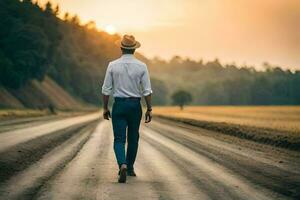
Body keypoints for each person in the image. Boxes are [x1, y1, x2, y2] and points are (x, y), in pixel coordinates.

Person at [102, 35, 153, 183]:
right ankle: (130, 168)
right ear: (135, 49)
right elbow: (147, 91)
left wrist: (105, 108)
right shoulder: (142, 66)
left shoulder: (112, 65)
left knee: (119, 139)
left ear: (121, 48)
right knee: (133, 137)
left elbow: (106, 90)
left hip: (119, 104)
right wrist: (149, 109)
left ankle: (122, 164)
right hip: (134, 105)